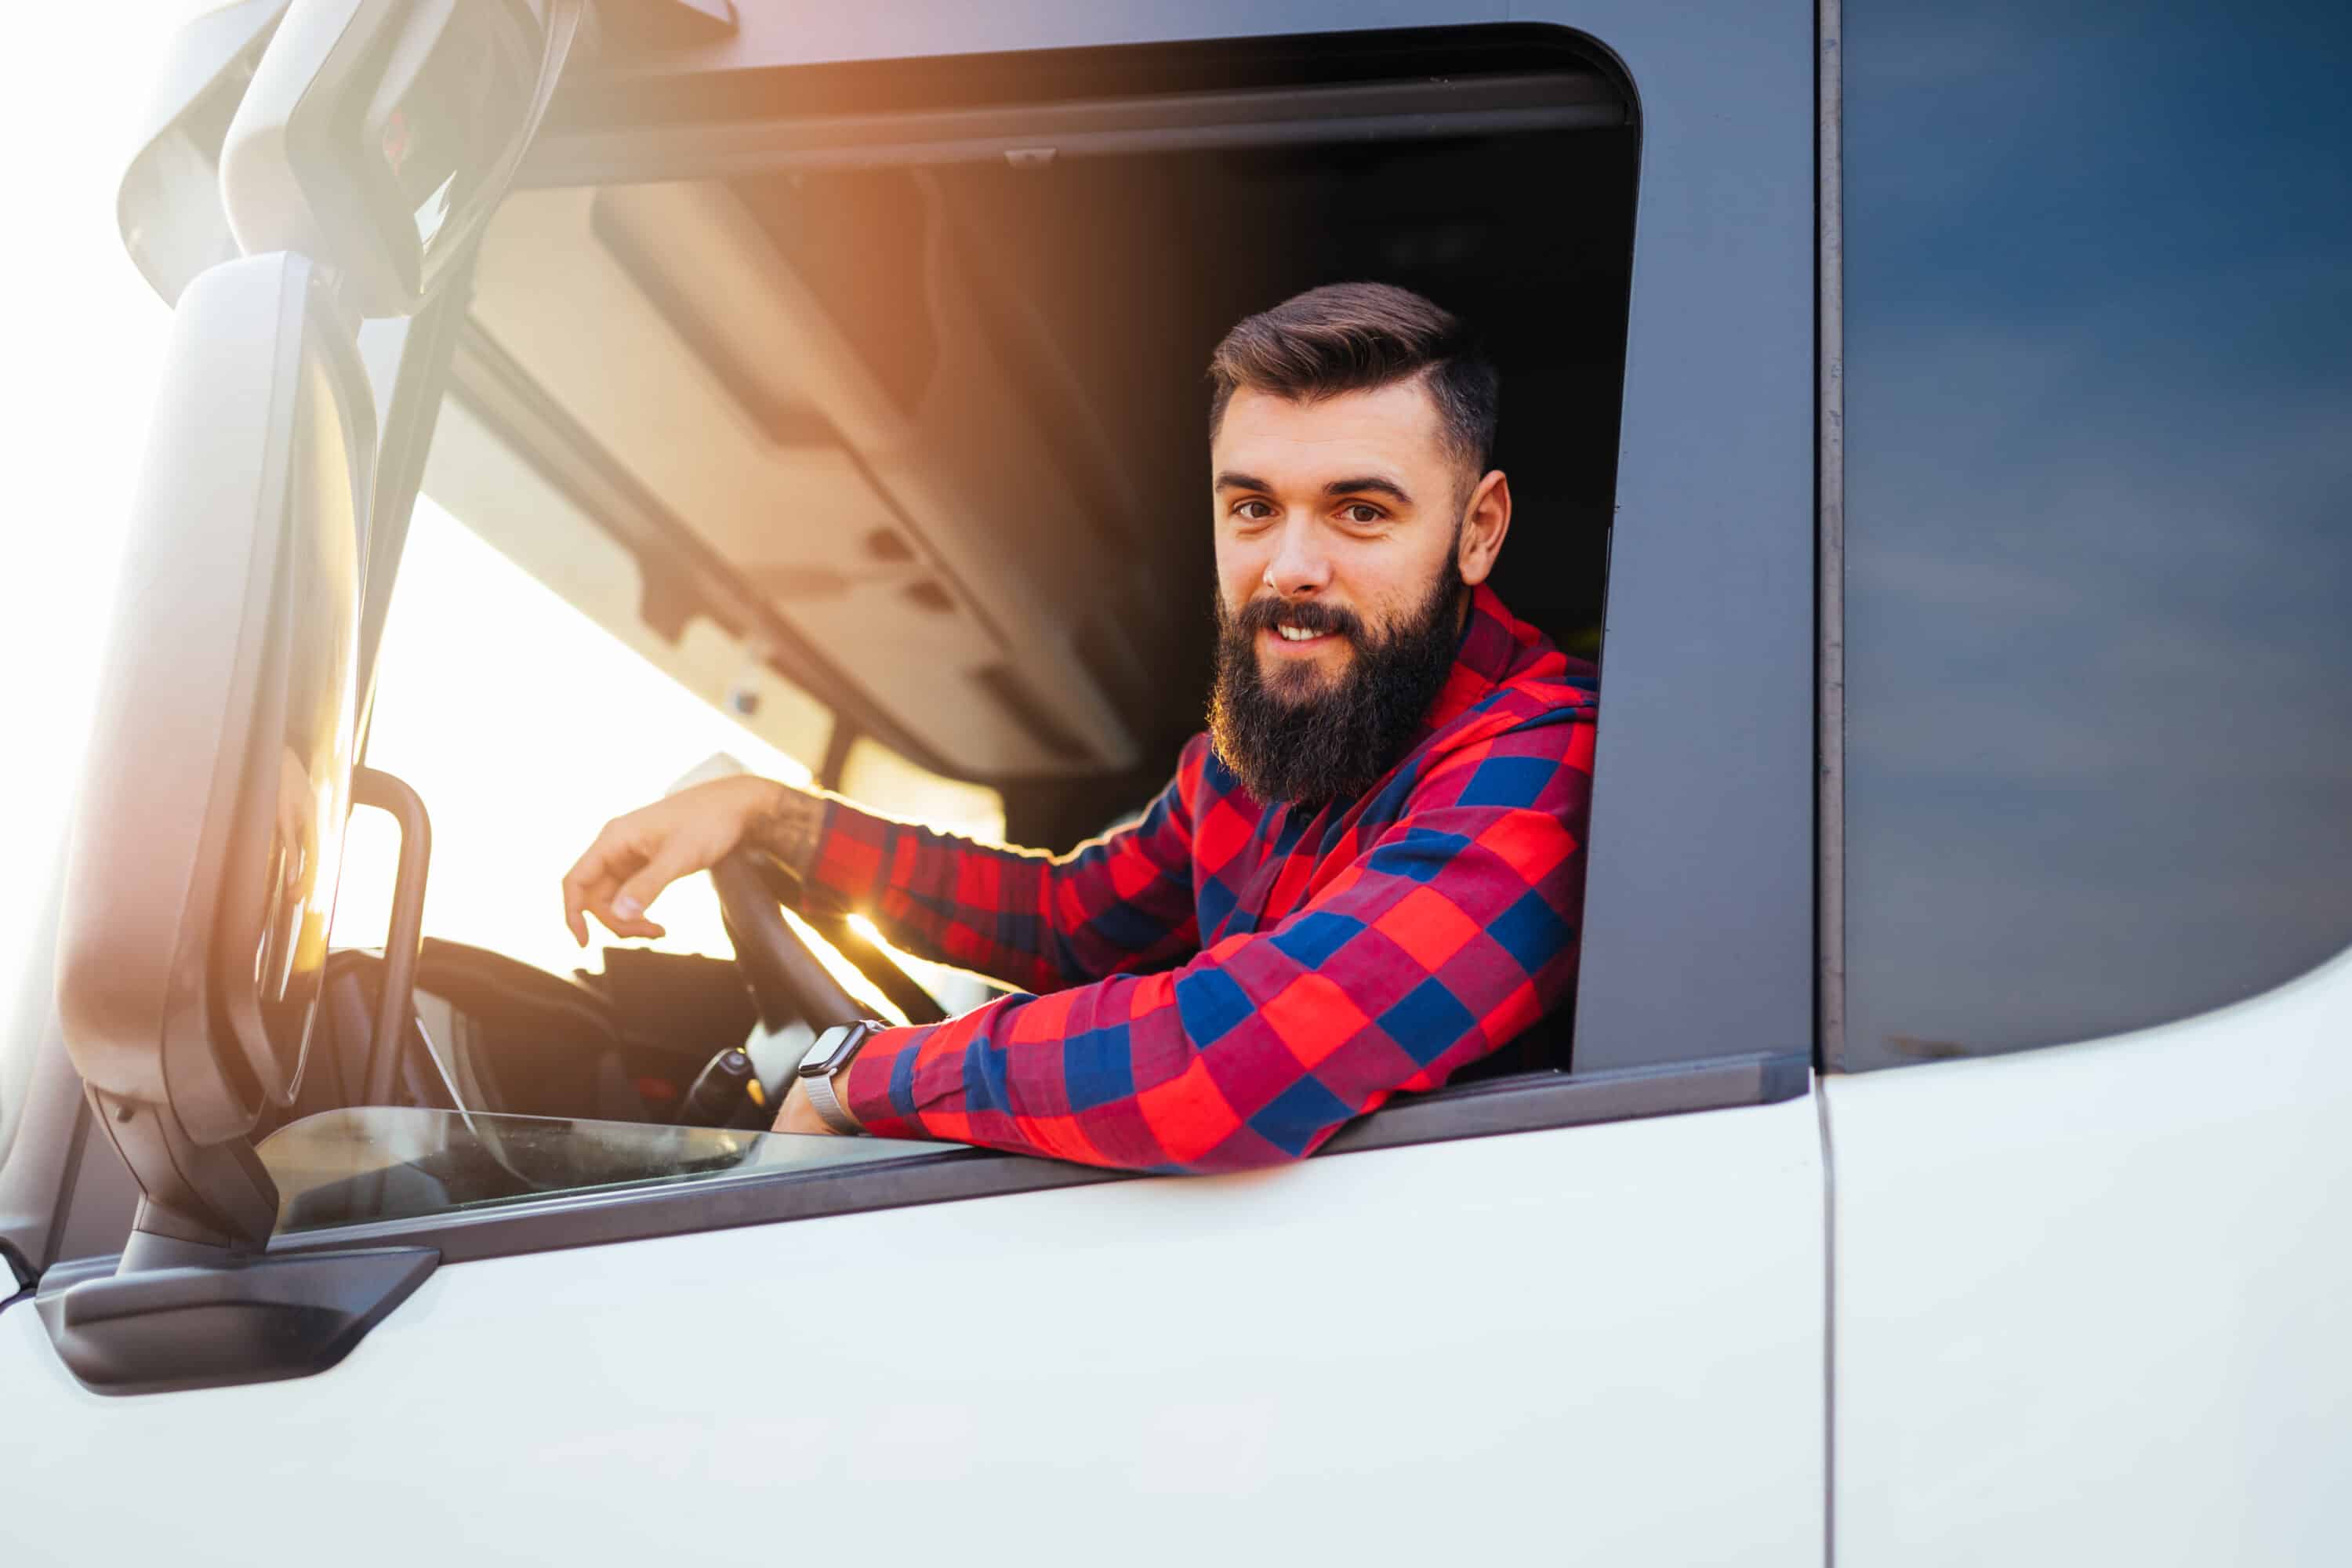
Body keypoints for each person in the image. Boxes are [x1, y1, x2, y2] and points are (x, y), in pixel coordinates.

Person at [561, 281, 1597, 1173]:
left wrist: (860, 1078)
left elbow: (1230, 1061)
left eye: (1359, 512)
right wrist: (773, 817)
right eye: (1252, 509)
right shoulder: (1261, 751)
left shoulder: (1546, 767)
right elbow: (1065, 923)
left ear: (1478, 530)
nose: (1289, 568)